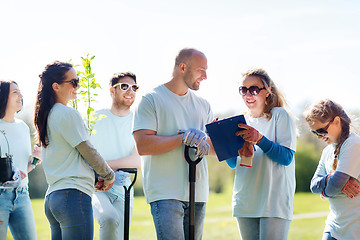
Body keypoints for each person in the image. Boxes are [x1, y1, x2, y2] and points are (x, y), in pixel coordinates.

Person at [133, 48, 214, 240]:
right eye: (201, 70)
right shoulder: (152, 99)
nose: (206, 76)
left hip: (198, 192)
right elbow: (143, 145)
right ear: (183, 67)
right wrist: (181, 138)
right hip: (165, 193)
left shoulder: (204, 105)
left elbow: (215, 150)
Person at [34, 61, 115, 240]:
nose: (77, 86)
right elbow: (89, 151)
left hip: (54, 198)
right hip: (72, 197)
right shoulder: (67, 113)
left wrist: (94, 177)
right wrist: (109, 176)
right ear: (56, 86)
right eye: (73, 82)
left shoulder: (46, 116)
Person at [225, 68, 297, 240]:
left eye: (254, 89)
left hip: (273, 202)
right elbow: (234, 164)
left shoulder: (280, 116)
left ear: (267, 92)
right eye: (243, 90)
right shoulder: (239, 121)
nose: (248, 94)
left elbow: (286, 158)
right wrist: (223, 142)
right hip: (245, 201)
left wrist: (259, 139)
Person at [90, 72, 141, 240]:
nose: (130, 91)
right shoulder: (94, 118)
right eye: (124, 86)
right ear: (112, 91)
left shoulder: (139, 122)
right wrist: (102, 172)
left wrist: (104, 167)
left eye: (134, 87)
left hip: (124, 189)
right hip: (96, 187)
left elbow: (137, 160)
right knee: (108, 218)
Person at [305, 99, 360, 240]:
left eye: (322, 130)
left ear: (336, 121)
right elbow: (313, 185)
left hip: (355, 227)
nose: (320, 136)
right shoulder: (327, 151)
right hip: (334, 225)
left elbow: (336, 186)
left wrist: (327, 189)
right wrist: (330, 179)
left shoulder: (353, 143)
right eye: (315, 133)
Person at [0, 80, 41, 240]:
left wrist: (35, 161)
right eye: (15, 92)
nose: (21, 96)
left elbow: (23, 169)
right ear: (3, 97)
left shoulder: (24, 127)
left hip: (23, 195)